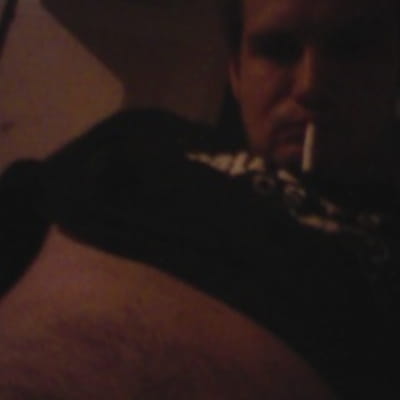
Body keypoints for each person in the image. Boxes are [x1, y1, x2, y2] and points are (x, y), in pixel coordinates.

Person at [0, 0, 399, 398]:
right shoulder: (145, 141)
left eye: (351, 48)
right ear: (236, 72)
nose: (310, 86)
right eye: (277, 49)